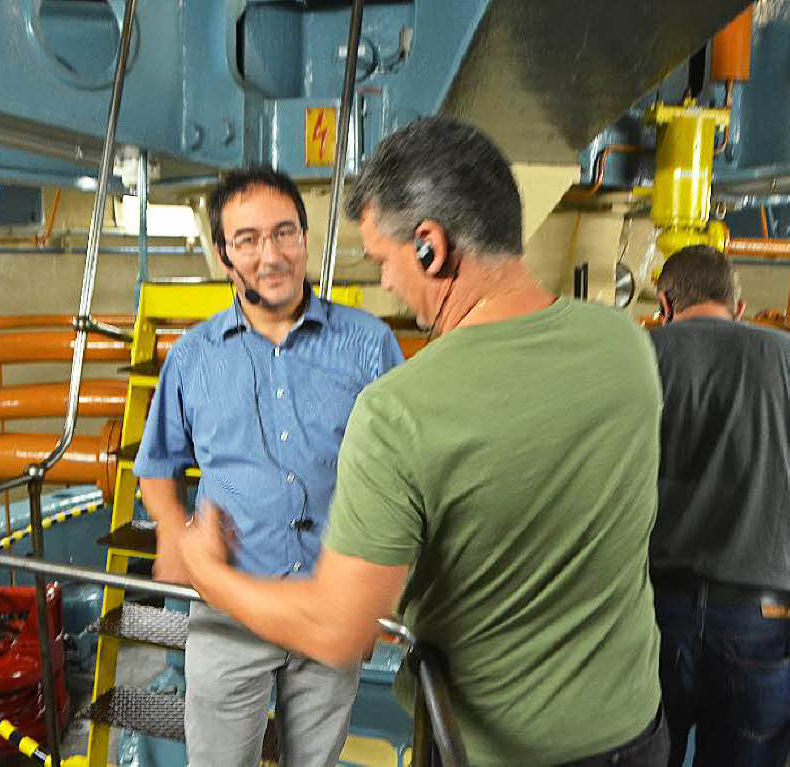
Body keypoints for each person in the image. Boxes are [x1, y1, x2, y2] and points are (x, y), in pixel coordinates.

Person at [179, 117, 669, 766]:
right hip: (636, 727)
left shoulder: (397, 411)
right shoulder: (627, 346)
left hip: (495, 749)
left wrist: (207, 572)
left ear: (431, 247)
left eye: (384, 259)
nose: (387, 282)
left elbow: (338, 627)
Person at [133, 165, 403, 766]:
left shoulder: (367, 344)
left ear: (306, 240)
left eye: (285, 233)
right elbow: (157, 468)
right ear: (225, 257)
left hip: (329, 602)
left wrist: (394, 581)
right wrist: (176, 536)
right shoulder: (192, 359)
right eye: (248, 240)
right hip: (228, 611)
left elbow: (406, 472)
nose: (271, 255)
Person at [650, 245, 790, 766]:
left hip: (656, 612)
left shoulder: (641, 357)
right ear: (740, 304)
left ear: (665, 301)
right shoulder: (784, 358)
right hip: (764, 610)